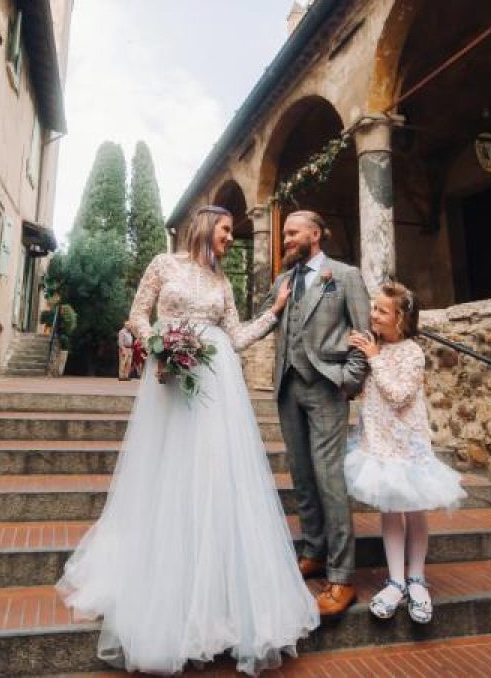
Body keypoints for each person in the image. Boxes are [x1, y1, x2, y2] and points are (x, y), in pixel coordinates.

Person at [57, 206, 318, 675]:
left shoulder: (222, 283)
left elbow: (234, 336)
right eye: (225, 232)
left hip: (218, 388)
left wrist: (273, 315)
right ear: (204, 227)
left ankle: (217, 593)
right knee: (170, 473)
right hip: (173, 380)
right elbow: (137, 315)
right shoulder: (164, 265)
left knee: (217, 477)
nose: (229, 240)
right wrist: (161, 342)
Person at [258, 210, 371, 618]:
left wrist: (349, 380)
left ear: (316, 234)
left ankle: (342, 577)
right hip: (288, 387)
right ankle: (314, 550)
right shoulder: (283, 281)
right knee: (302, 475)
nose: (285, 239)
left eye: (292, 232)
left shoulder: (345, 275)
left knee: (329, 477)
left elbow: (364, 332)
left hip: (326, 386)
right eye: (285, 233)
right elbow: (261, 320)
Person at [344, 281, 466, 624]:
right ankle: (395, 580)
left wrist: (374, 359)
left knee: (412, 510)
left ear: (400, 319)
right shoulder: (375, 345)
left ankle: (416, 578)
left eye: (381, 310)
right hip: (378, 443)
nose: (373, 315)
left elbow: (399, 395)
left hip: (407, 444)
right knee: (389, 510)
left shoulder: (412, 352)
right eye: (374, 308)